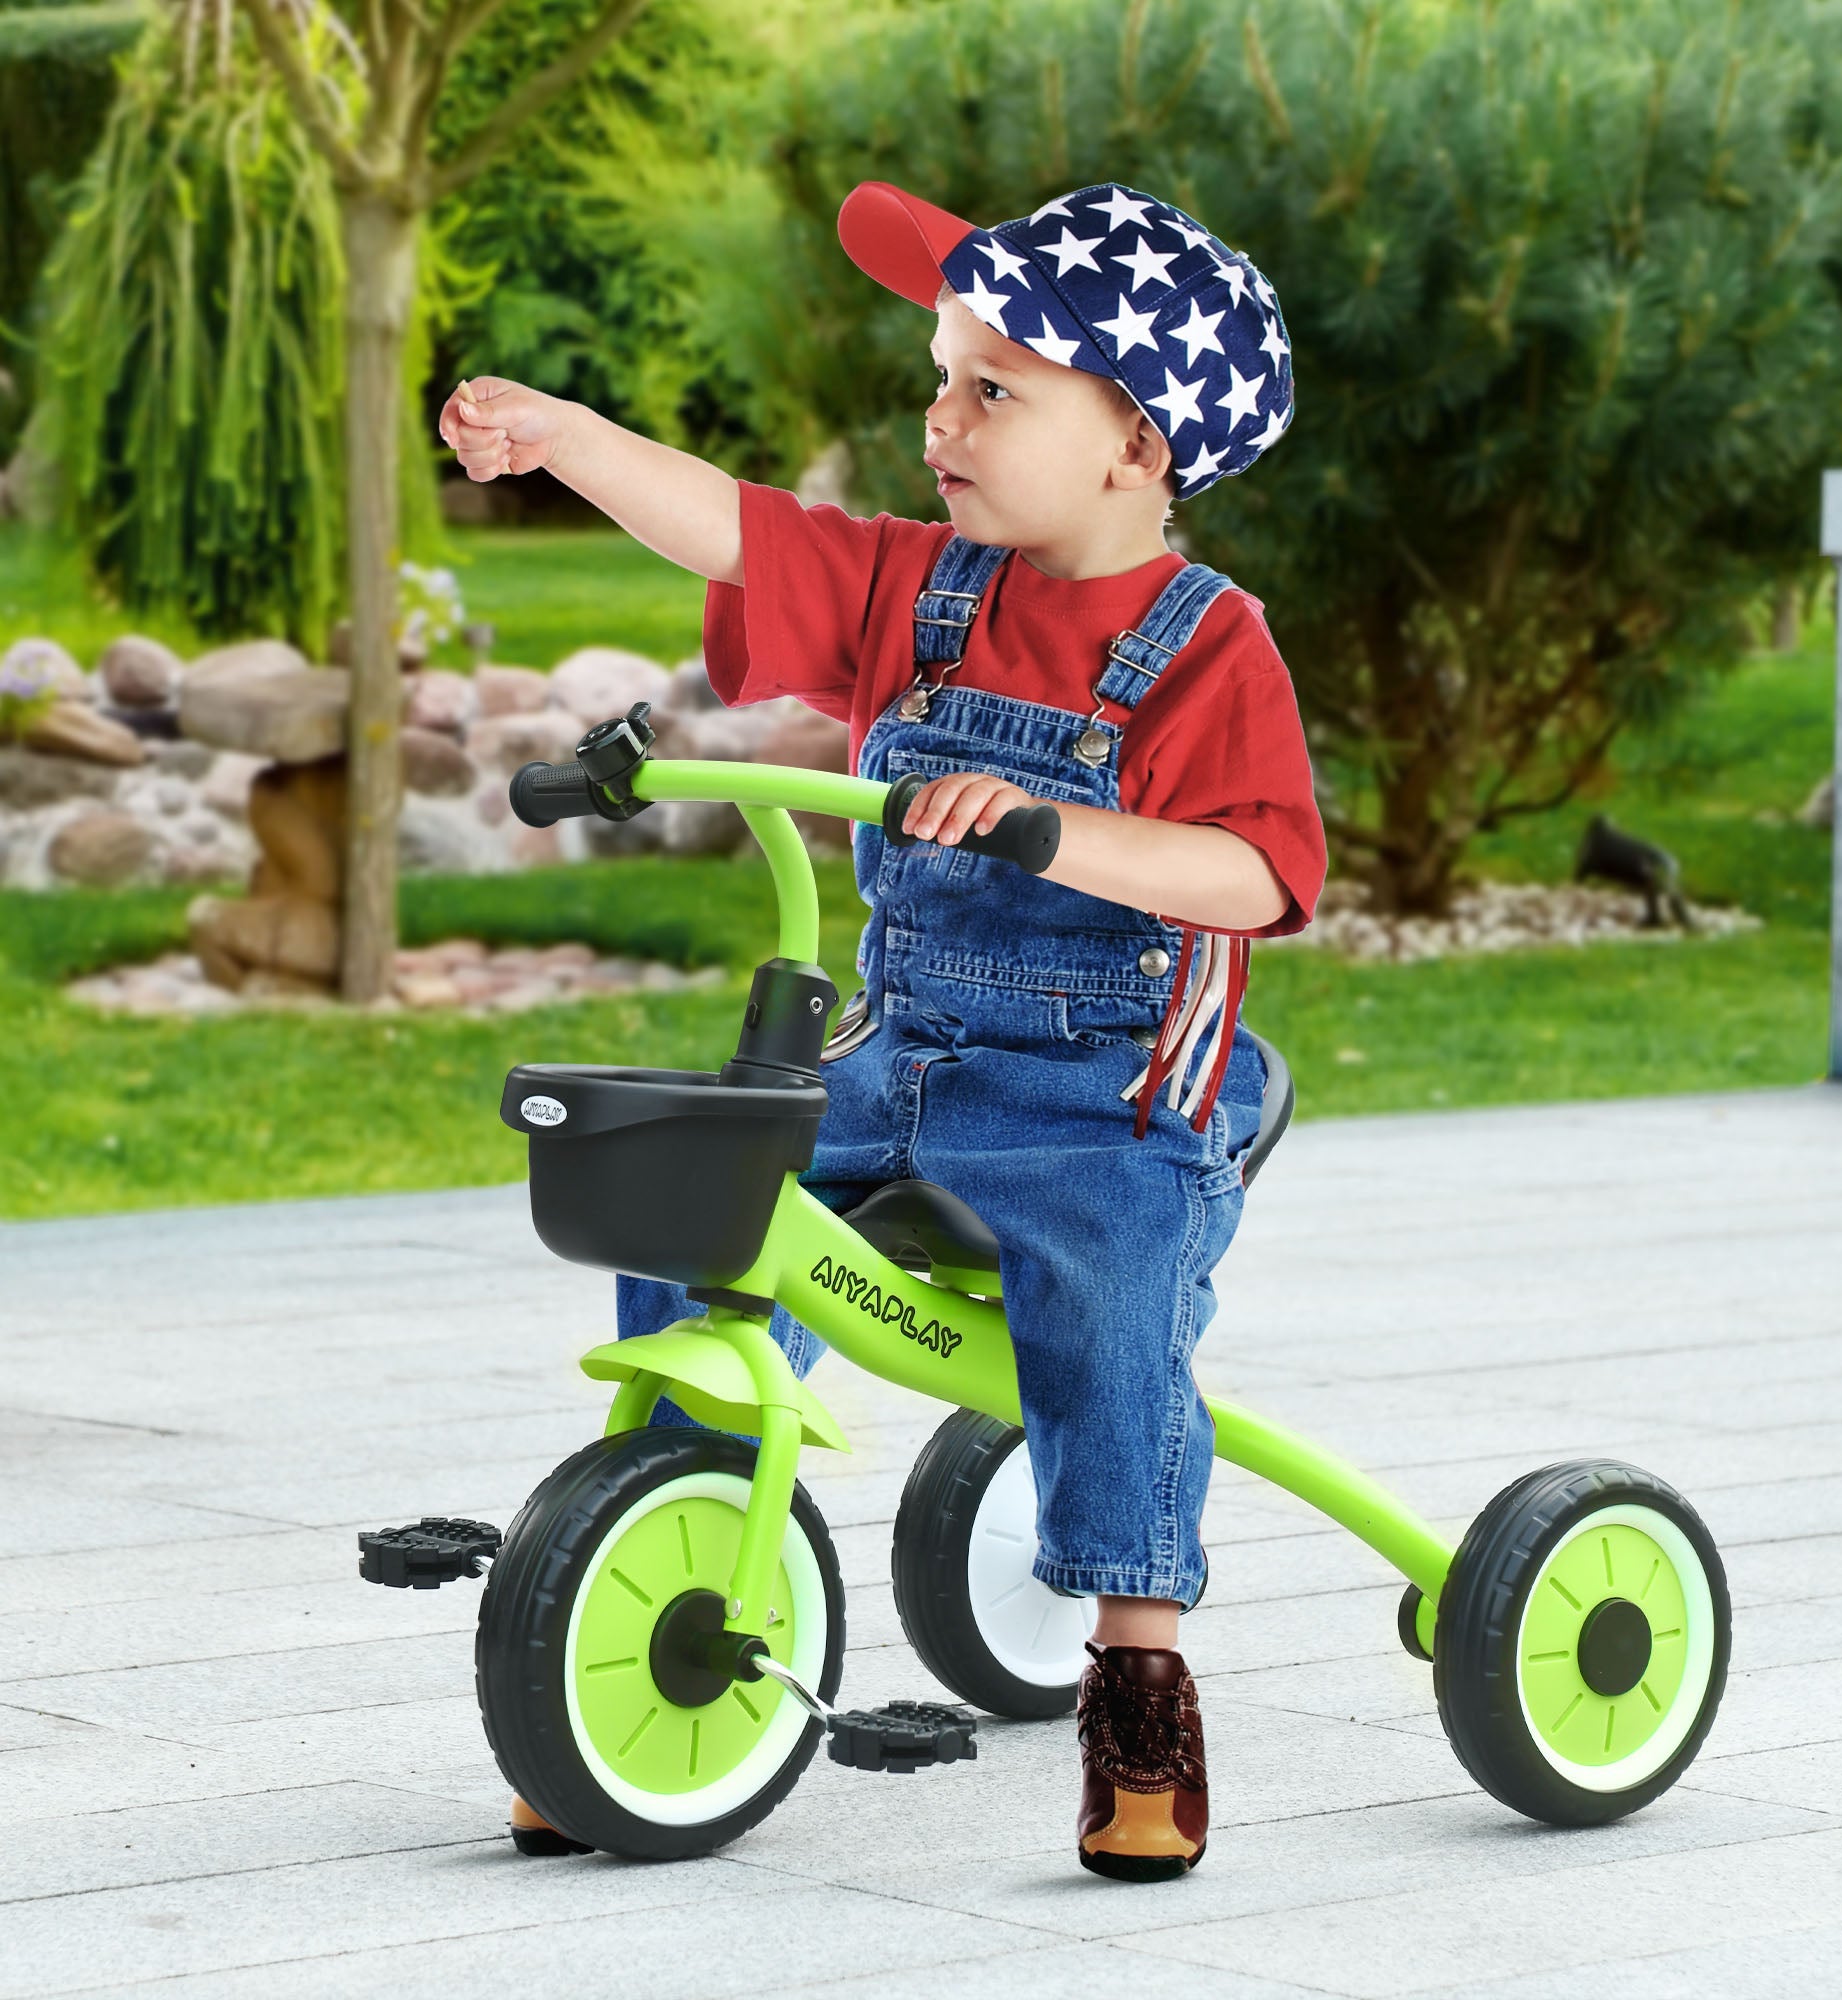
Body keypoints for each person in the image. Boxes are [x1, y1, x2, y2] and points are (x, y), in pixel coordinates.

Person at [439, 178, 1326, 1880]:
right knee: (701, 1195)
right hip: (907, 1051)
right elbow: (737, 527)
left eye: (996, 388)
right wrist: (567, 437)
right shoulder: (922, 591)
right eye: (942, 374)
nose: (943, 416)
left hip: (1108, 1091)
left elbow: (1254, 869)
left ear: (1136, 445)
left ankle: (1139, 1661)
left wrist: (1054, 829)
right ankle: (649, 1581)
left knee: (1113, 1300)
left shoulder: (1210, 647)